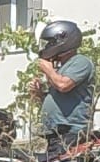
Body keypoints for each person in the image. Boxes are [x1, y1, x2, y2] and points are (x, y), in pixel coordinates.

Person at [27, 18, 96, 154]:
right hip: (57, 134)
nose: (46, 47)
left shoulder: (81, 61)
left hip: (71, 133)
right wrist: (40, 93)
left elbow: (63, 85)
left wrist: (48, 69)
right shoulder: (61, 68)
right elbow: (60, 97)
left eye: (50, 43)